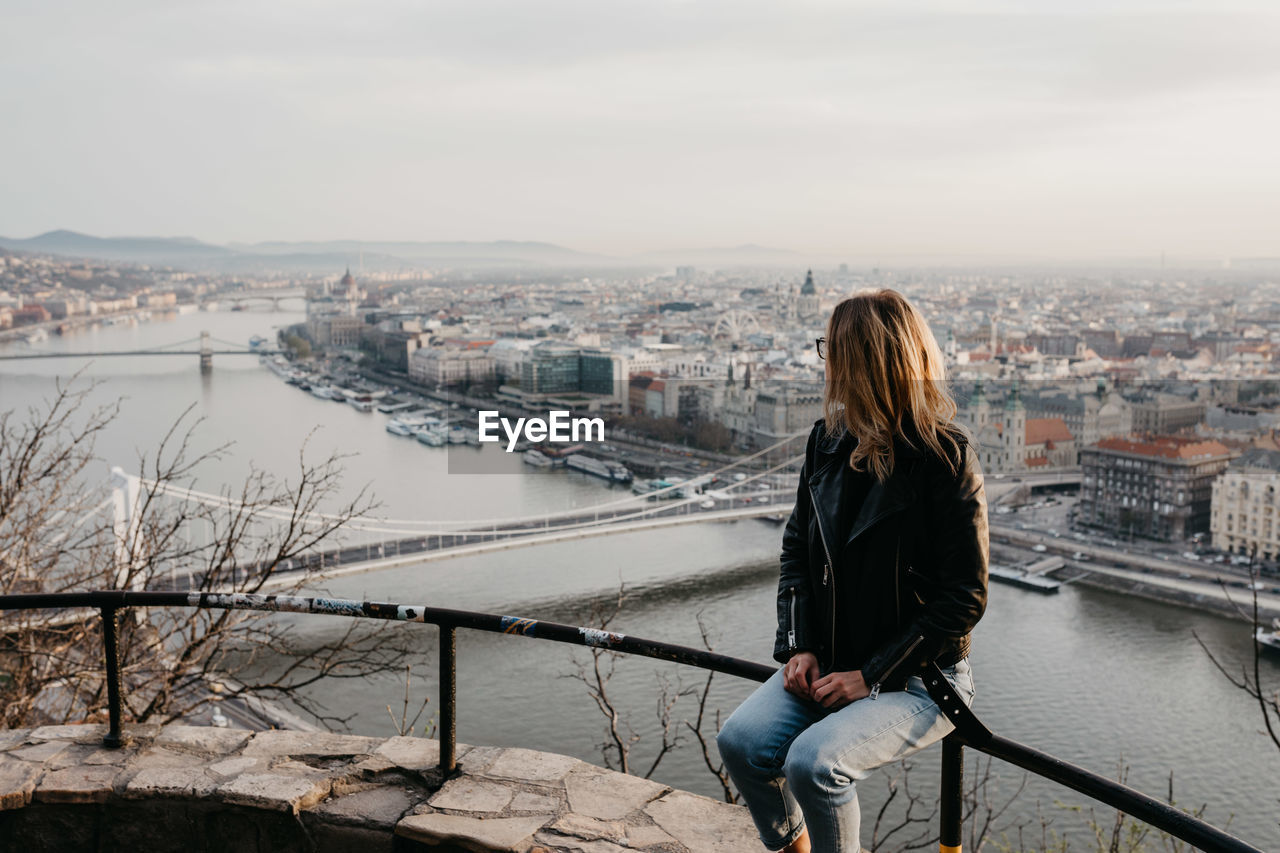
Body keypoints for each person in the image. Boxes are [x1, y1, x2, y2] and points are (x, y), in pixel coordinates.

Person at [716, 290, 989, 853]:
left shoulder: (946, 459)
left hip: (921, 678)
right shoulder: (827, 442)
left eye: (831, 351)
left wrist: (872, 674)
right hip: (834, 660)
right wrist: (801, 645)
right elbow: (797, 546)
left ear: (865, 364)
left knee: (814, 765)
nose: (826, 366)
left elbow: (964, 598)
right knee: (742, 742)